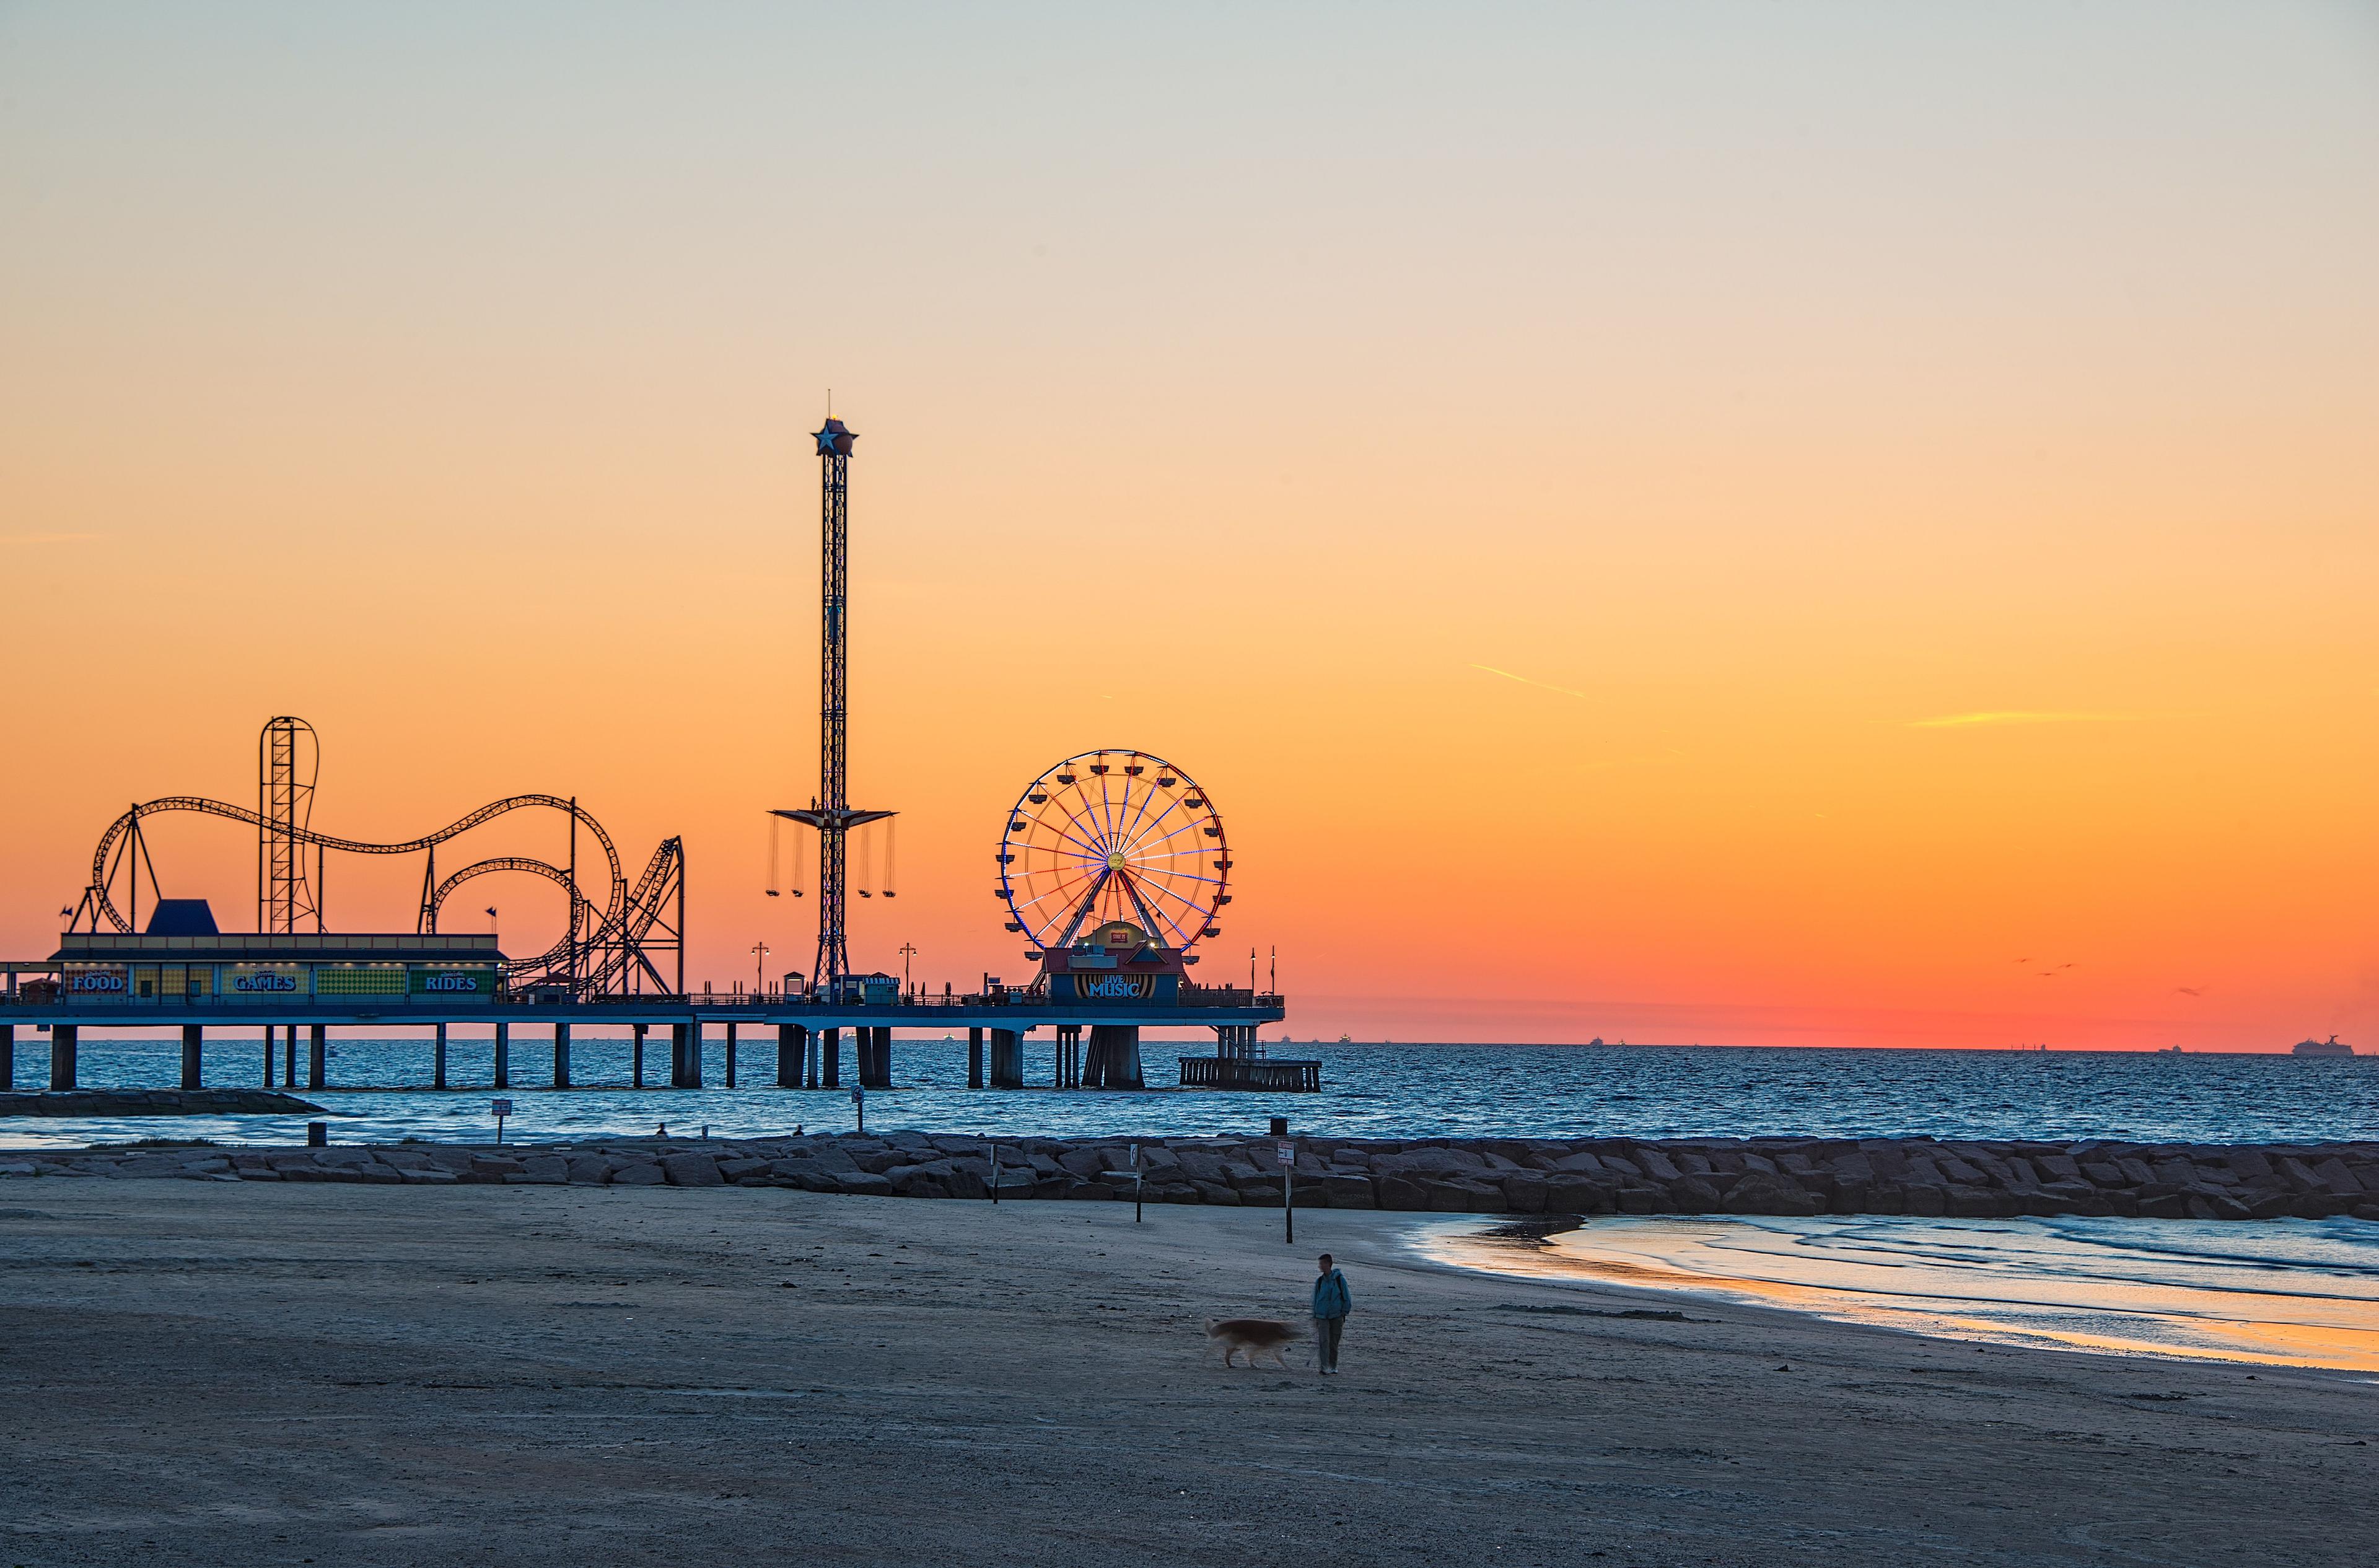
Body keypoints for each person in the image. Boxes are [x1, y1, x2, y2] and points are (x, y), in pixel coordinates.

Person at [1311, 1253, 1352, 1374]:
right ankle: (1324, 1367)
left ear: (1328, 1264)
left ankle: (1333, 1366)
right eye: (1320, 1264)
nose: (1320, 1266)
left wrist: (1344, 1312)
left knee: (1333, 1342)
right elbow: (1316, 1299)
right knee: (1323, 1341)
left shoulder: (1340, 1280)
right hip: (1322, 1316)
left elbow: (1347, 1297)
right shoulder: (1319, 1281)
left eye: (1322, 1263)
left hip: (1337, 1315)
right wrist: (1315, 1315)